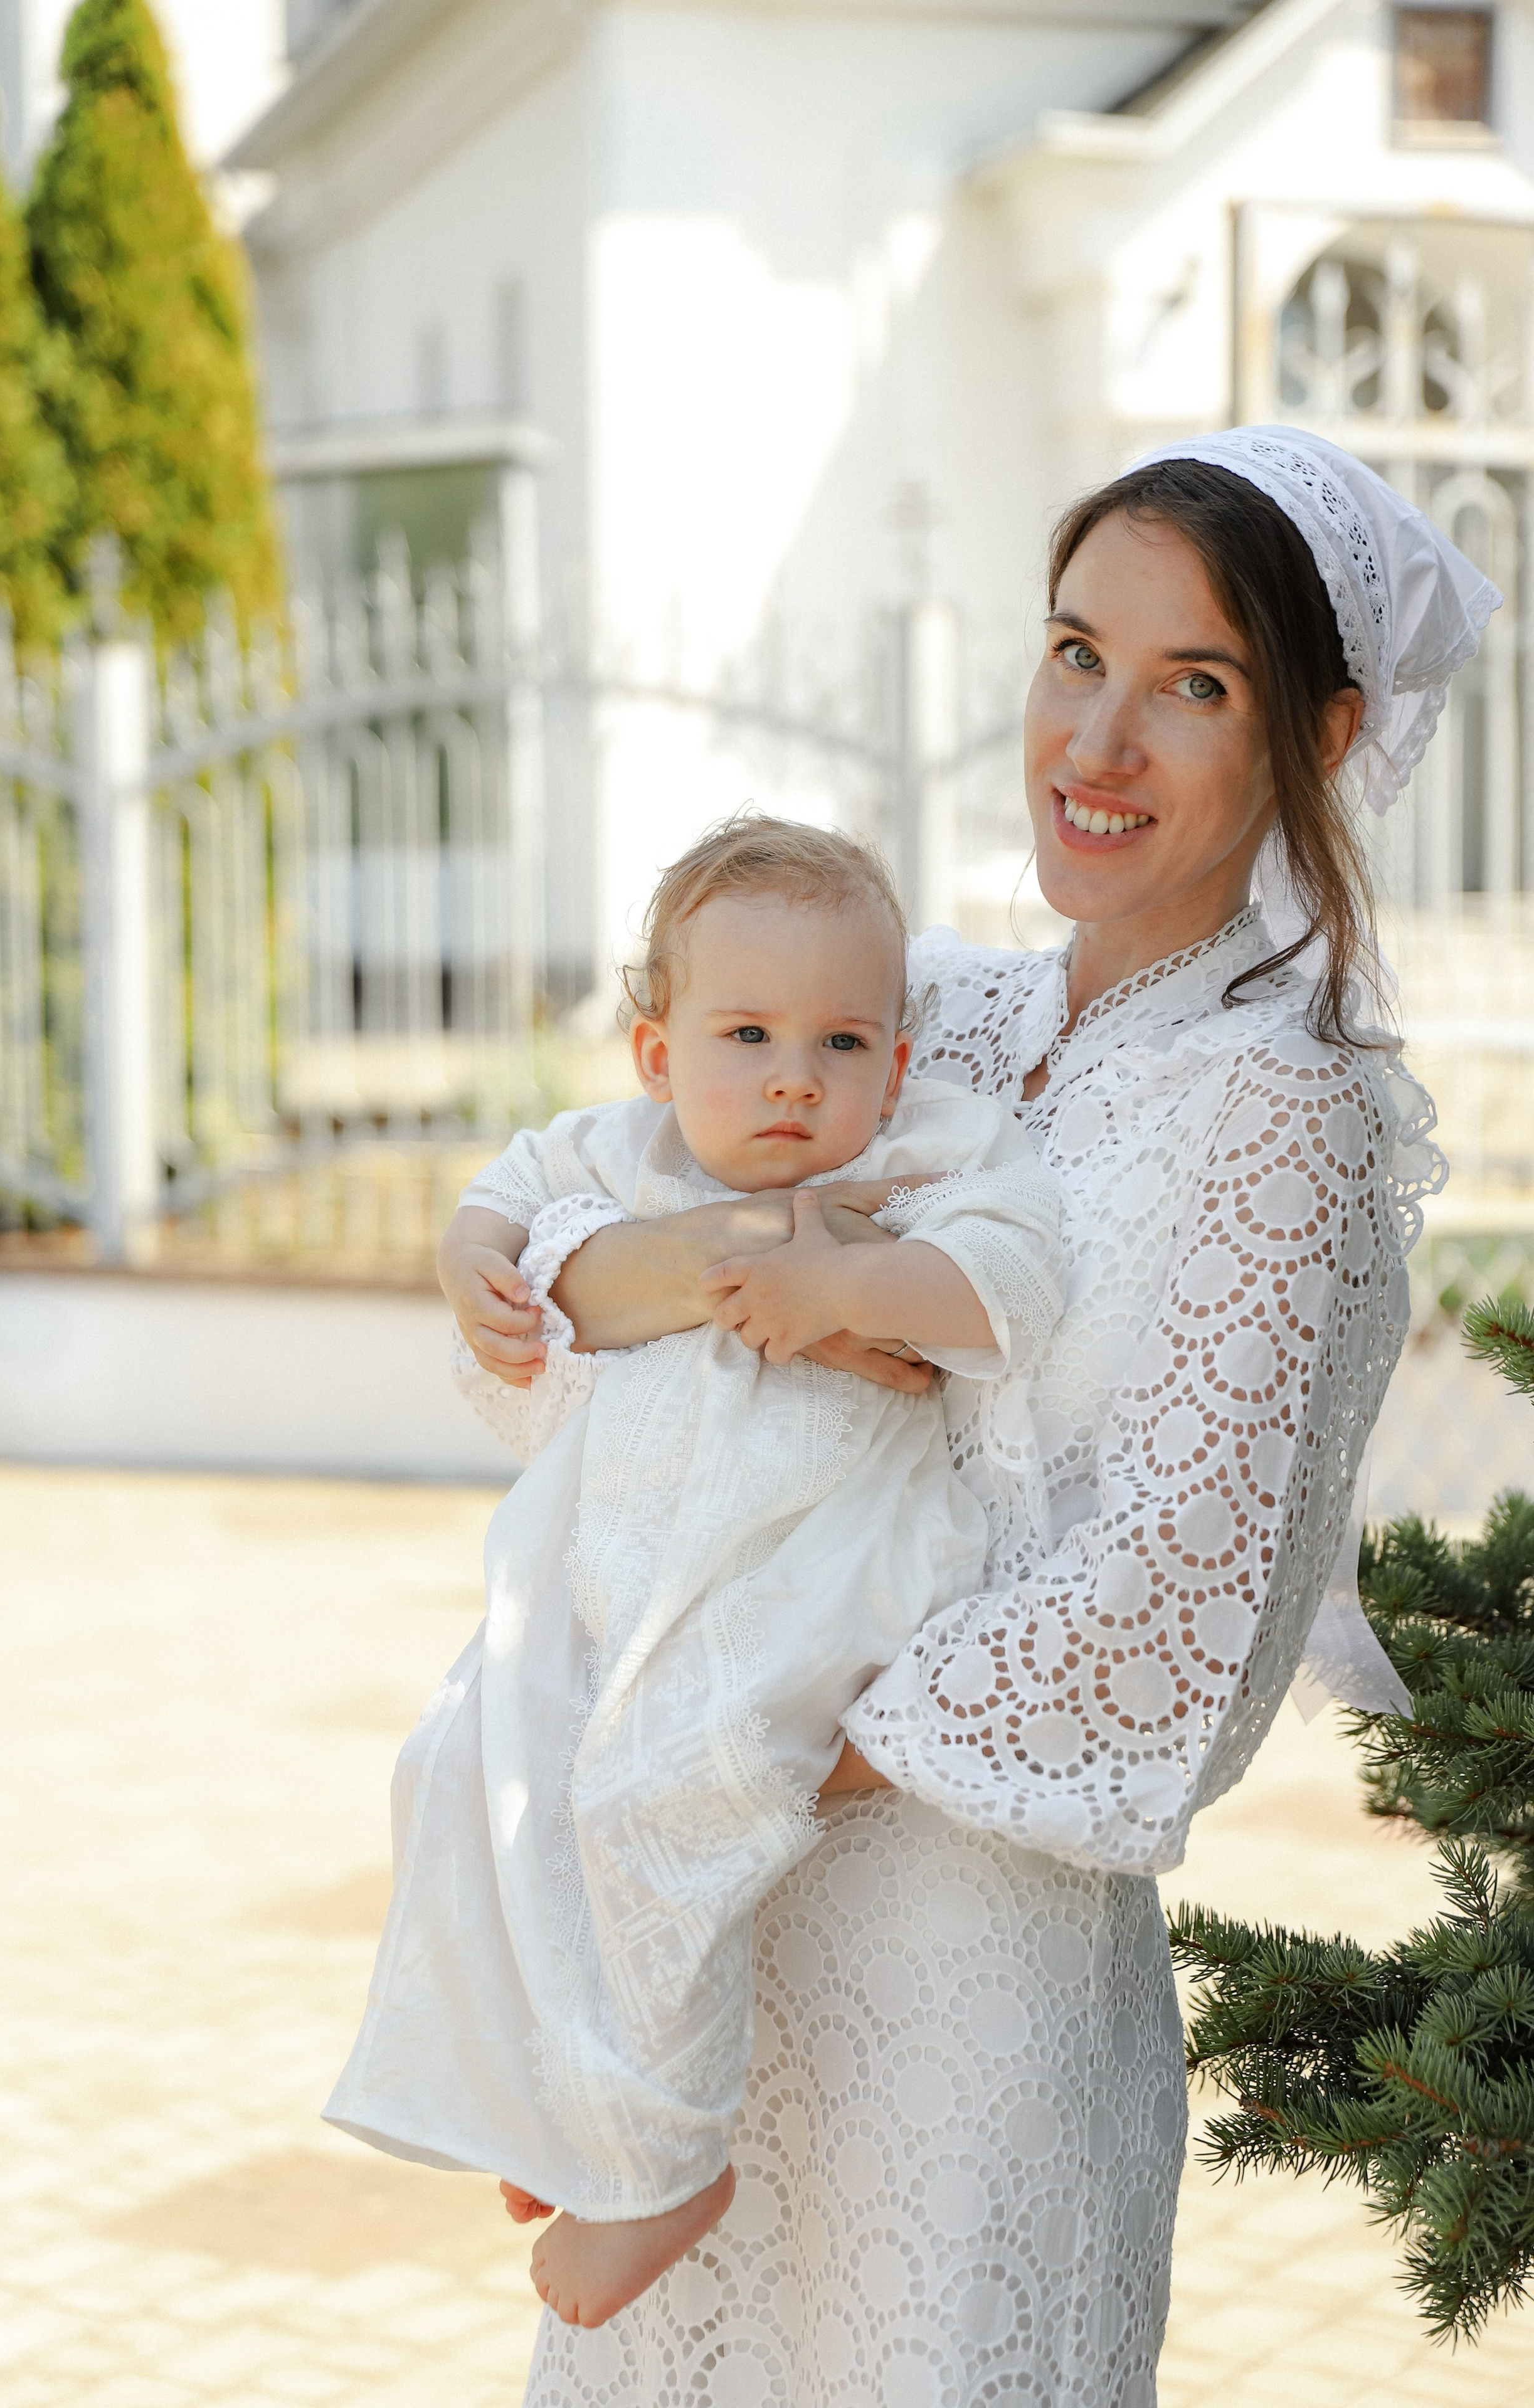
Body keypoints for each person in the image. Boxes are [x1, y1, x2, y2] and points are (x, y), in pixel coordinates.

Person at [443, 428, 1493, 2402]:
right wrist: (621, 1262)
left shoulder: (1293, 1115)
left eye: (1194, 686)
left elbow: (1168, 1622)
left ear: (1324, 735)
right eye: (1076, 652)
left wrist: (723, 1755)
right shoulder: (938, 1010)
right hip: (710, 1949)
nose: (1097, 740)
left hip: (961, 1989)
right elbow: (616, 1250)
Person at [325, 818, 1066, 2328]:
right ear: (658, 1055)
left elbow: (1014, 1278)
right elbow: (507, 1193)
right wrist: (469, 1258)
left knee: (670, 1789)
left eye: (839, 1042)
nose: (795, 1077)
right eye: (747, 1036)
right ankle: (554, 2099)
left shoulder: (925, 1152)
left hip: (818, 1556)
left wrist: (848, 1280)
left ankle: (662, 2164)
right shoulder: (619, 1150)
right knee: (465, 1768)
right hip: (623, 1556)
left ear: (895, 1063)